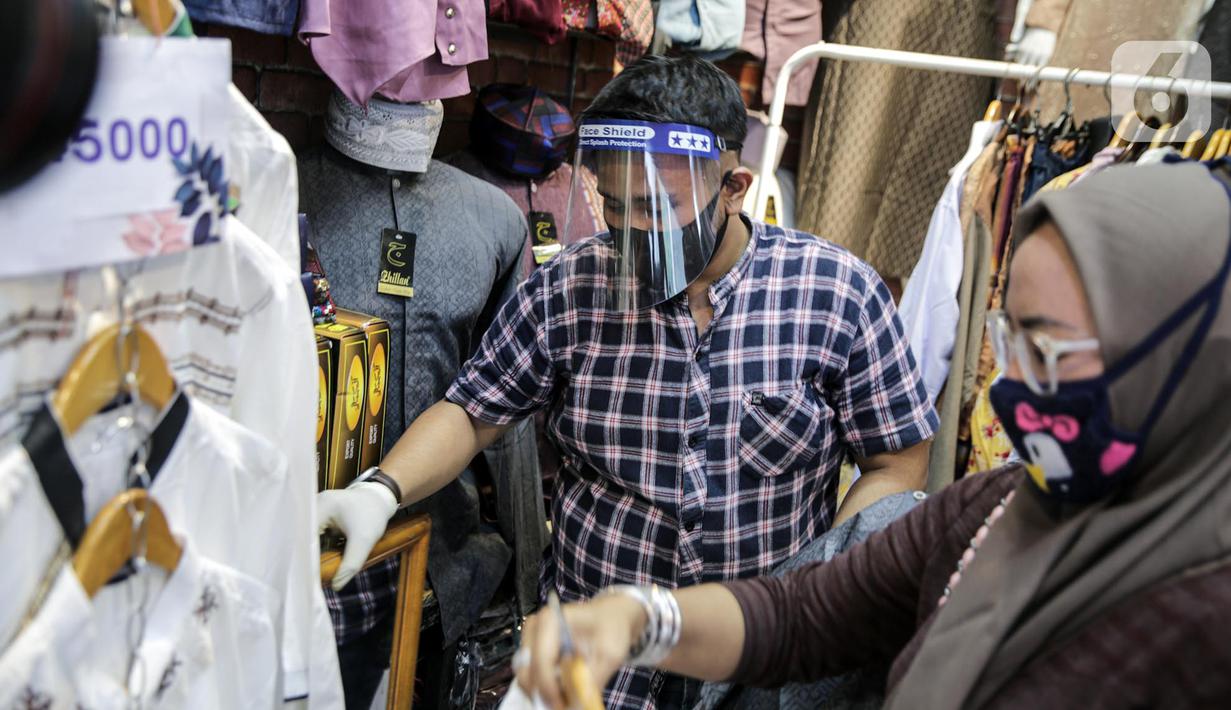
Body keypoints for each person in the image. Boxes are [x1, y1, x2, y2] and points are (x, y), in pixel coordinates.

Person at [317, 54, 938, 709]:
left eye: (657, 208)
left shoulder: (835, 294)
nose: (634, 231)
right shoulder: (571, 289)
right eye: (615, 207)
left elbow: (897, 460)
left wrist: (821, 591)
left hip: (754, 670)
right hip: (596, 668)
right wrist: (382, 490)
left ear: (733, 188)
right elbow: (474, 412)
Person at [513, 161, 1231, 709]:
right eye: (1009, 343)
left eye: (1050, 352)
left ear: (1193, 356)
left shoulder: (1206, 626)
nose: (1012, 389)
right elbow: (805, 616)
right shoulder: (995, 511)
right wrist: (639, 619)